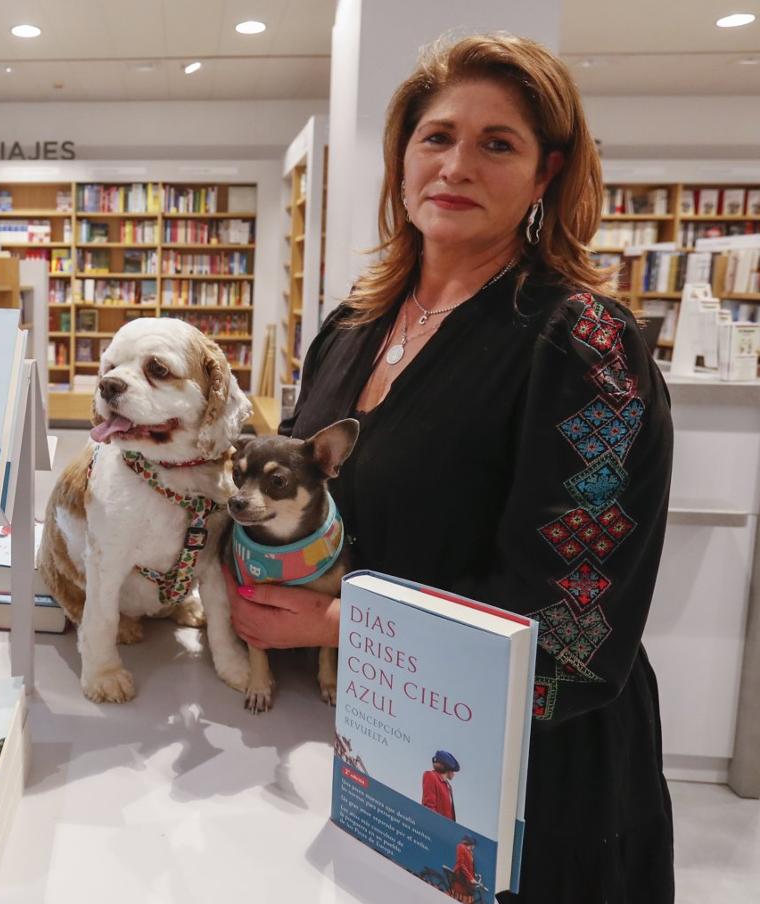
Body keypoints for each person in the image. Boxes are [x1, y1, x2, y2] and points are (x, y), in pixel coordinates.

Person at [226, 33, 674, 903]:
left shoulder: (586, 348)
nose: (456, 165)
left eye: (496, 143)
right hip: (372, 739)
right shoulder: (353, 325)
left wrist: (335, 628)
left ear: (545, 174)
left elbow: (576, 631)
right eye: (436, 138)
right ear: (401, 161)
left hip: (528, 783)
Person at [422, 749, 458, 821]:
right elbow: (429, 806)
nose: (454, 773)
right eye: (453, 770)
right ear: (448, 768)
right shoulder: (431, 776)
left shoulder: (448, 786)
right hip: (436, 826)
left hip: (446, 828)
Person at [452, 836, 480, 902]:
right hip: (461, 877)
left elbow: (469, 866)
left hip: (466, 878)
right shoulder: (461, 847)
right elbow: (461, 865)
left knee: (469, 894)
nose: (474, 847)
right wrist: (471, 878)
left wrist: (474, 875)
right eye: (474, 845)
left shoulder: (470, 853)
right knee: (460, 896)